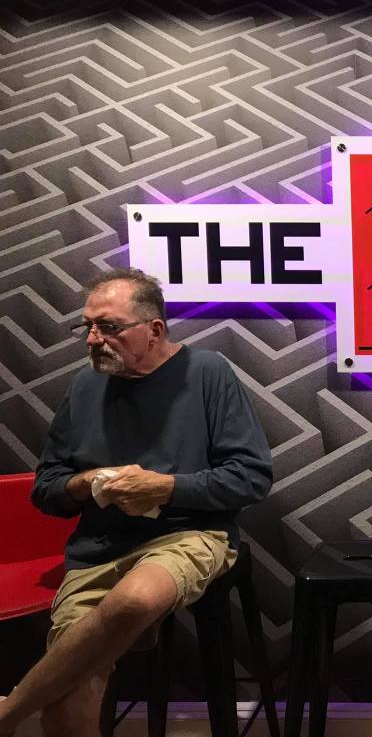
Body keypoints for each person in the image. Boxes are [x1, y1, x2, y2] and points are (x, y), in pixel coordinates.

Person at [0, 268, 273, 737]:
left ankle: (7, 714)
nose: (93, 339)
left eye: (109, 327)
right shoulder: (84, 386)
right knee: (66, 708)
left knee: (133, 600)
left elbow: (251, 478)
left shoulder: (206, 373)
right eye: (87, 326)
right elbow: (46, 488)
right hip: (98, 549)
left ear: (155, 329)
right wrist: (86, 483)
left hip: (190, 534)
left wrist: (164, 488)